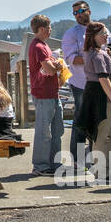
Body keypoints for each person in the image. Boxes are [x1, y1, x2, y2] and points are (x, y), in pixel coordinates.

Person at [76, 21, 111, 176]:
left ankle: (109, 169)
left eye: (106, 33)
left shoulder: (100, 52)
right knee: (104, 134)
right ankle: (101, 170)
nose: (106, 36)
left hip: (109, 95)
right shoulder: (97, 55)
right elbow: (103, 79)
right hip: (103, 98)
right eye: (102, 34)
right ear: (93, 36)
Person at [25, 14, 63, 176]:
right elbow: (49, 69)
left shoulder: (43, 46)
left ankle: (54, 163)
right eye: (48, 28)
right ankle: (40, 165)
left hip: (52, 93)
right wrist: (57, 66)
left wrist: (55, 65)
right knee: (44, 131)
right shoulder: (39, 47)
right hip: (43, 94)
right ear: (41, 29)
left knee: (57, 130)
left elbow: (51, 67)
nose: (50, 30)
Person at [61, 0, 92, 166]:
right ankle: (77, 160)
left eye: (80, 10)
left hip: (100, 82)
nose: (78, 14)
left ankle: (95, 157)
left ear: (89, 11)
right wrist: (94, 58)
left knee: (99, 121)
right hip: (80, 83)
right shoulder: (71, 34)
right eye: (75, 13)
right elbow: (72, 59)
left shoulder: (102, 29)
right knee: (80, 120)